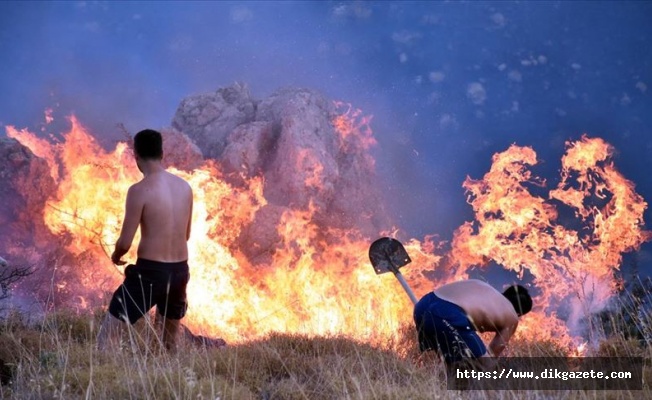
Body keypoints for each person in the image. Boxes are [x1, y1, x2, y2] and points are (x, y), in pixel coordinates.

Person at [97, 129, 193, 352]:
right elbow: (186, 235)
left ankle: (105, 378)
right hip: (179, 271)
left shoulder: (139, 190)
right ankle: (168, 383)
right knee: (167, 345)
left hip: (150, 273)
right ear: (162, 153)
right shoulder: (185, 187)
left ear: (136, 156)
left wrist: (116, 255)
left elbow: (124, 243)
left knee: (107, 337)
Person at [413, 279, 532, 373]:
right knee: (485, 365)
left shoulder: (482, 285)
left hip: (423, 305)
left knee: (451, 363)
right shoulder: (512, 317)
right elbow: (490, 357)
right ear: (519, 313)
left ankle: (444, 392)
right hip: (448, 314)